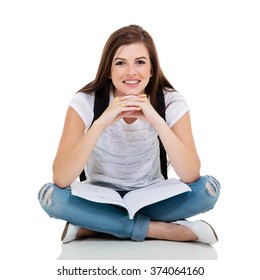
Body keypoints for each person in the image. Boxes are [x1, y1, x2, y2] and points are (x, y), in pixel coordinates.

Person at [38, 24, 220, 244]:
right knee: (51, 197)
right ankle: (162, 230)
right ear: (108, 70)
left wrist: (156, 120)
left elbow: (191, 175)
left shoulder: (170, 100)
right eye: (120, 63)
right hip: (98, 198)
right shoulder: (85, 101)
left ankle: (95, 225)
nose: (131, 72)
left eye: (140, 62)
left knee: (207, 190)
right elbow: (61, 177)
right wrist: (101, 122)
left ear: (152, 69)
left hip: (152, 197)